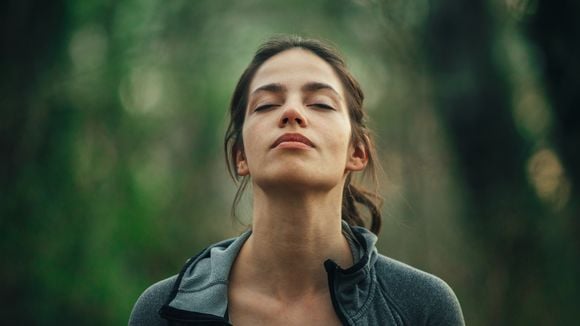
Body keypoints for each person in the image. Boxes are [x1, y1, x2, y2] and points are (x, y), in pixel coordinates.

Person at [129, 35, 465, 325]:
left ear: (357, 152)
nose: (292, 112)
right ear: (240, 156)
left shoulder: (422, 307)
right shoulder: (163, 312)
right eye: (266, 105)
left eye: (320, 103)